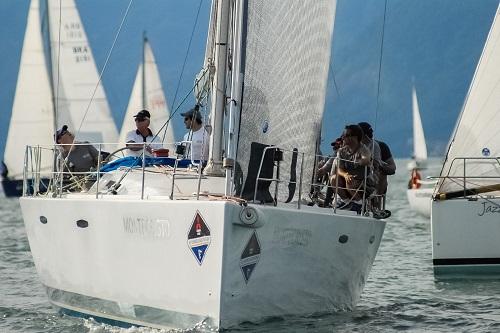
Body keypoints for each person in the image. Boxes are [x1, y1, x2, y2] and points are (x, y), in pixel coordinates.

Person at [329, 124, 373, 211]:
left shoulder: (363, 149)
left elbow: (366, 159)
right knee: (334, 178)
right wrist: (345, 175)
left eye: (346, 136)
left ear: (354, 137)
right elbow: (339, 169)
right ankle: (346, 201)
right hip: (349, 179)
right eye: (343, 136)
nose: (343, 138)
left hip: (364, 182)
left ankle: (360, 203)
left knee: (350, 181)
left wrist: (359, 161)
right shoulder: (342, 151)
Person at [55, 125, 101, 190]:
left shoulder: (86, 145)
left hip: (98, 180)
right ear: (59, 140)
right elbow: (64, 180)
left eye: (67, 131)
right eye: (64, 133)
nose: (68, 132)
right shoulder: (61, 158)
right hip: (80, 188)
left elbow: (100, 160)